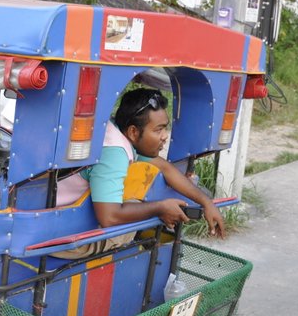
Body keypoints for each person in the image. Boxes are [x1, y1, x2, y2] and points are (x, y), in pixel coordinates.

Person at [54, 88, 225, 258]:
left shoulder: (117, 130)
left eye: (165, 128)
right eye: (158, 130)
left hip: (64, 218)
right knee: (136, 213)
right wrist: (160, 208)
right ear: (134, 132)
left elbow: (164, 168)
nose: (165, 136)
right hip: (59, 234)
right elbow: (109, 217)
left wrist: (206, 202)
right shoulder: (114, 153)